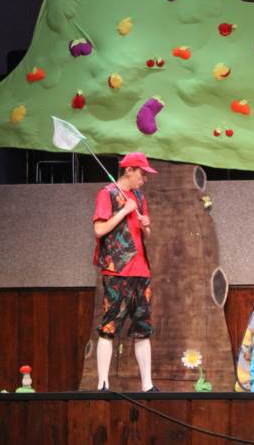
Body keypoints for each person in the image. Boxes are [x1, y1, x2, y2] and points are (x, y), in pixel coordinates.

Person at [92, 152, 158, 392]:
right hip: (118, 270)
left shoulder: (139, 196)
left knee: (143, 327)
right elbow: (99, 230)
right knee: (109, 325)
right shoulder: (108, 193)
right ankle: (102, 383)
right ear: (128, 170)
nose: (144, 179)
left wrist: (145, 226)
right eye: (142, 173)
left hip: (141, 270)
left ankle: (147, 385)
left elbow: (144, 234)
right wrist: (123, 210)